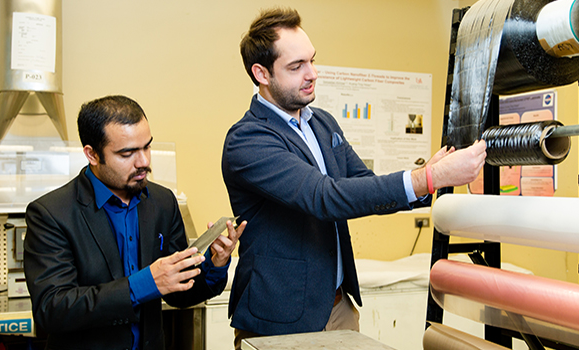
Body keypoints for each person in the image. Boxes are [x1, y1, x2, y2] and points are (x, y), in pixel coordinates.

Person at [222, 7, 487, 347]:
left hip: (339, 307)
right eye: (296, 66)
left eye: (312, 61)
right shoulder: (248, 140)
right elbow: (324, 198)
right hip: (280, 315)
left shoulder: (323, 123)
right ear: (261, 73)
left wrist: (426, 178)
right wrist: (426, 178)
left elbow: (362, 184)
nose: (312, 74)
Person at [25, 95, 245, 350]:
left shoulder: (163, 202)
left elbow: (179, 292)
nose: (143, 162)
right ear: (92, 154)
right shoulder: (51, 213)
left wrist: (215, 264)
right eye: (127, 153)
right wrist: (146, 282)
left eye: (146, 147)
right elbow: (52, 309)